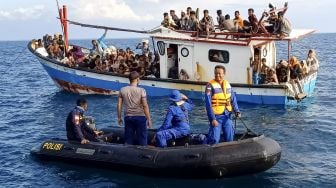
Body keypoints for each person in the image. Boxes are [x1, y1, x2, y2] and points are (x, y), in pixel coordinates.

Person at [205, 65, 240, 144]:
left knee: (229, 138)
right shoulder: (209, 86)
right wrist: (212, 119)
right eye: (216, 73)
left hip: (227, 116)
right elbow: (208, 104)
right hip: (216, 117)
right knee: (214, 140)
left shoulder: (227, 84)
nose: (218, 75)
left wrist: (237, 111)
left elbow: (233, 99)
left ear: (224, 74)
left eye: (220, 73)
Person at [117, 71, 152, 146]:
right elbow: (145, 105)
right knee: (142, 141)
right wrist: (149, 119)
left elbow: (119, 104)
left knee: (128, 140)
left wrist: (119, 117)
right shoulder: (142, 90)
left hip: (128, 117)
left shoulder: (122, 90)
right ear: (137, 79)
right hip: (140, 117)